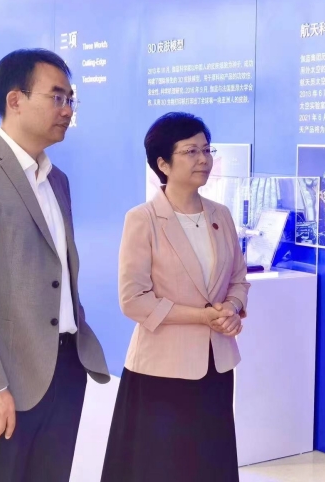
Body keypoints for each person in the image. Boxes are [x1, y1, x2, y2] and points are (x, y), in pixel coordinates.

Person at [0, 49, 110, 481]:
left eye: (71, 99)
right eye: (57, 97)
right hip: (4, 379)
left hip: (64, 371)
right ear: (15, 100)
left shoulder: (56, 180)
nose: (67, 110)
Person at [101, 112, 250, 482]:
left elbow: (238, 279)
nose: (203, 159)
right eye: (190, 151)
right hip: (161, 369)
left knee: (209, 463)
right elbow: (133, 299)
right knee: (164, 466)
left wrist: (232, 308)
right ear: (163, 164)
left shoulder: (221, 215)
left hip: (215, 364)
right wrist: (202, 316)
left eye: (206, 150)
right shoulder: (143, 218)